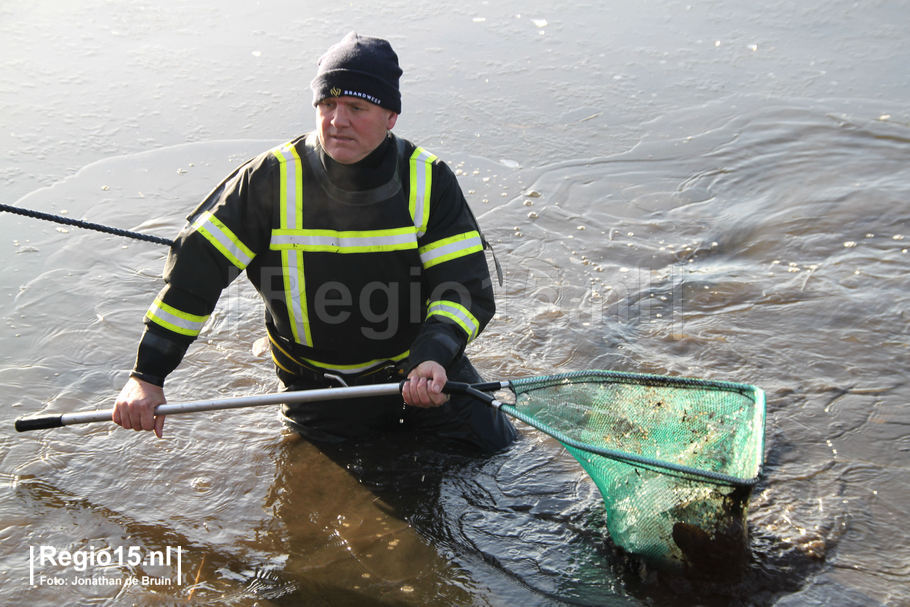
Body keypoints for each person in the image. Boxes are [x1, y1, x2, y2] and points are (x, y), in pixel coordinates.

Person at [112, 32, 517, 452]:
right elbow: (194, 280)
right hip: (321, 392)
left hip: (418, 374)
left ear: (391, 116)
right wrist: (147, 376)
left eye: (356, 107)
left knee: (504, 456)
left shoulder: (428, 179)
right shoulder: (268, 178)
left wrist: (434, 354)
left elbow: (463, 288)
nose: (337, 121)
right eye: (327, 105)